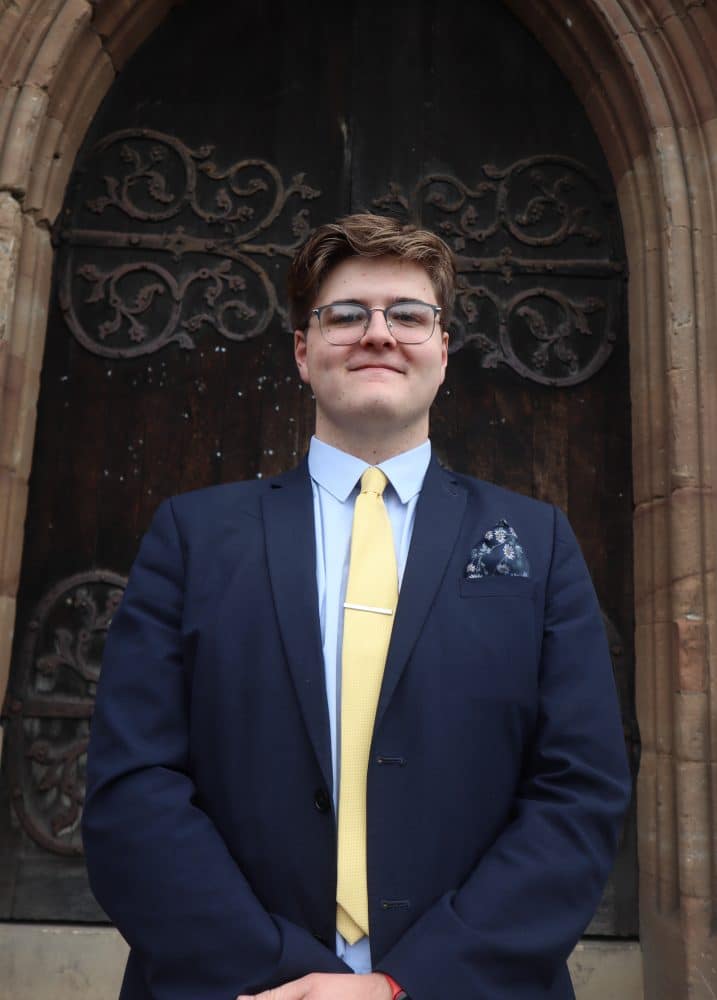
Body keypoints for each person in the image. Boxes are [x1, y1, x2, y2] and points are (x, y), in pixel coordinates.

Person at [82, 214, 631, 1000]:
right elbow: (133, 786)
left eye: (408, 314)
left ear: (442, 349)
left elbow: (577, 794)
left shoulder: (538, 543)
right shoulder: (191, 537)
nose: (378, 333)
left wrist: (405, 984)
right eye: (345, 314)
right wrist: (284, 975)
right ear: (302, 352)